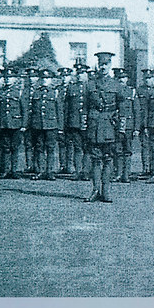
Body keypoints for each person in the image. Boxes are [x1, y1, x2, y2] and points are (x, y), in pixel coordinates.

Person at [84, 51, 126, 201]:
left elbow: (123, 109)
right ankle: (95, 190)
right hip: (94, 126)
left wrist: (121, 128)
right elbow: (85, 108)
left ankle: (106, 191)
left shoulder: (116, 85)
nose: (103, 67)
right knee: (95, 159)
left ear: (110, 65)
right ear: (97, 65)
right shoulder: (90, 84)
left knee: (108, 159)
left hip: (110, 126)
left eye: (106, 64)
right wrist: (85, 127)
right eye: (101, 64)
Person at [65, 60, 90, 180]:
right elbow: (67, 106)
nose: (80, 75)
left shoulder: (91, 87)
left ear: (87, 74)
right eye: (79, 73)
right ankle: (78, 170)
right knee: (77, 147)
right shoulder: (71, 87)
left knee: (87, 147)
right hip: (74, 122)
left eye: (83, 73)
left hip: (88, 122)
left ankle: (86, 171)